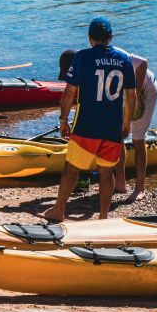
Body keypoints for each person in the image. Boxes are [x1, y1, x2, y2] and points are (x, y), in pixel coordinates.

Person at [42, 17, 136, 222]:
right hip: (112, 125)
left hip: (87, 125)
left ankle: (59, 210)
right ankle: (103, 217)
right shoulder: (124, 59)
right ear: (110, 37)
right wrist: (126, 123)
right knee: (106, 172)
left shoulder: (82, 57)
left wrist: (63, 119)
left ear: (90, 38)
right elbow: (131, 95)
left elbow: (69, 93)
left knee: (71, 169)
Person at [114, 53, 157, 202]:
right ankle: (120, 182)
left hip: (144, 88)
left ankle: (140, 189)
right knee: (116, 134)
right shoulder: (92, 58)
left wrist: (137, 95)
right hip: (124, 92)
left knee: (138, 140)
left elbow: (143, 63)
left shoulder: (118, 54)